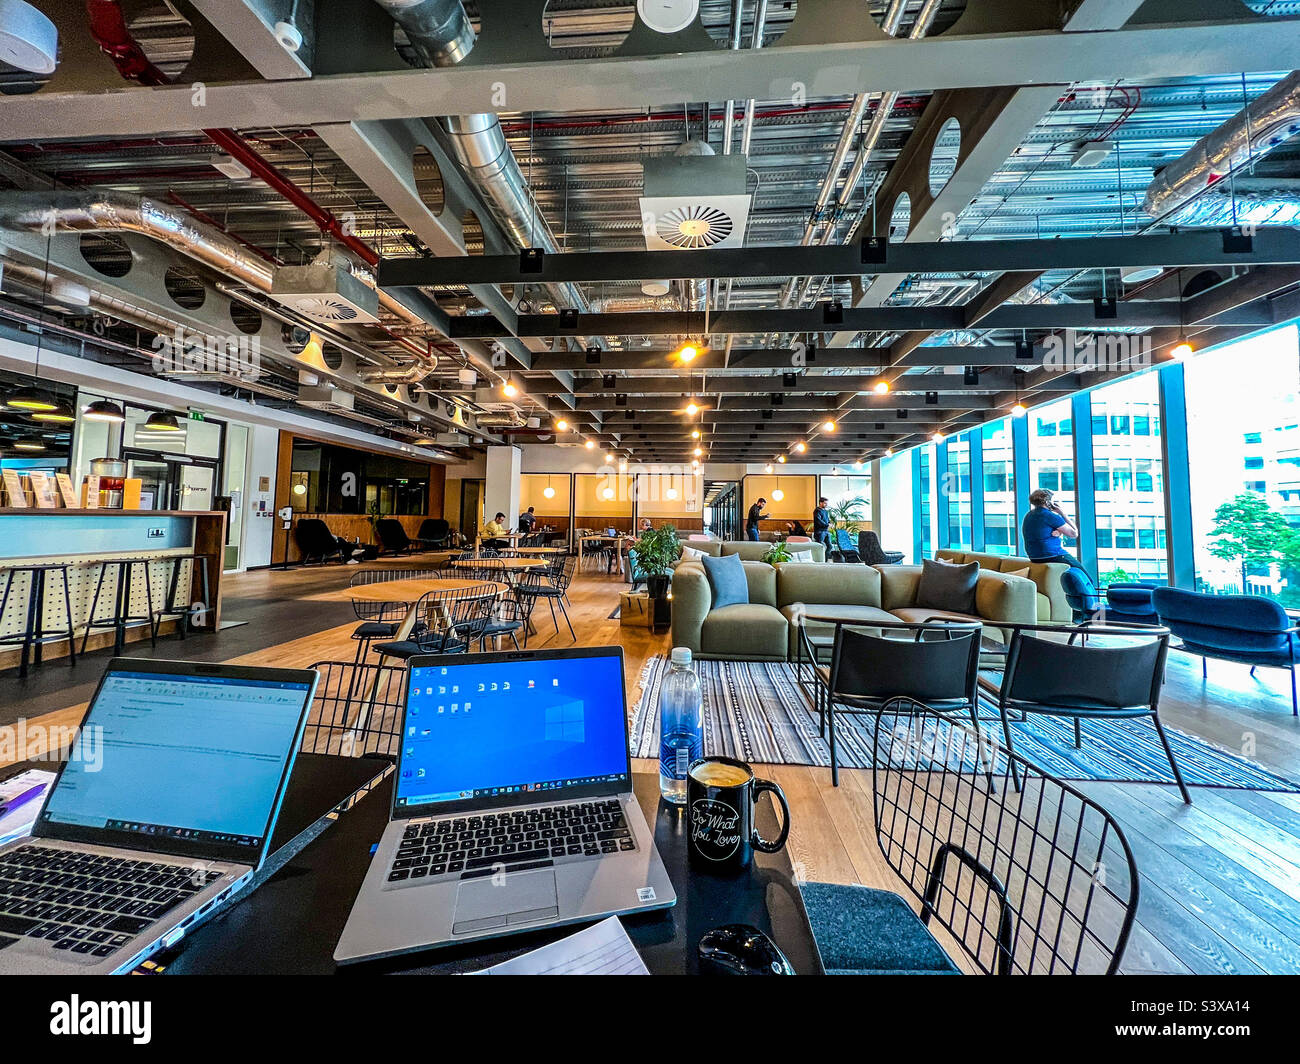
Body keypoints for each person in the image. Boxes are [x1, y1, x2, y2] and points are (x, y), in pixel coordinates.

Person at [1022, 488, 1086, 572]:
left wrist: (1059, 532)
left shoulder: (1029, 515)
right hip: (1051, 555)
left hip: (1034, 557)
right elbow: (1074, 534)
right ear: (1047, 502)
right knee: (1082, 573)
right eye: (1052, 500)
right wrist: (1062, 513)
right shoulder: (1050, 516)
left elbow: (1041, 531)